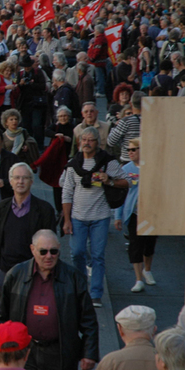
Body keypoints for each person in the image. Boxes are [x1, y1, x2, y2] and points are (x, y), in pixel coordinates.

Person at [0, 229, 99, 370]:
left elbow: (88, 319)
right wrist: (4, 352)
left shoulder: (73, 277)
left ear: (59, 249)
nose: (49, 256)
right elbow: (2, 317)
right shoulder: (15, 275)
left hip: (59, 353)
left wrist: (89, 353)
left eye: (54, 251)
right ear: (32, 249)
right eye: (43, 251)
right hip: (25, 353)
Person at [61, 126, 128, 306]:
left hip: (100, 217)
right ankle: (81, 288)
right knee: (77, 253)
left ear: (97, 143)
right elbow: (67, 192)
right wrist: (66, 219)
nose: (87, 143)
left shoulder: (108, 162)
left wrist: (110, 180)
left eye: (91, 140)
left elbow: (126, 181)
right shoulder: (73, 165)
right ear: (79, 142)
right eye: (84, 140)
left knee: (98, 255)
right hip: (77, 217)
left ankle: (96, 293)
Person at [0, 162, 57, 290]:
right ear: (10, 181)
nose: (20, 181)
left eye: (25, 178)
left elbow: (51, 245)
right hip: (4, 272)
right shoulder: (2, 207)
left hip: (33, 273)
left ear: (31, 181)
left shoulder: (45, 209)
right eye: (17, 178)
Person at [113, 137, 158, 291]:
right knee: (135, 245)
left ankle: (147, 270)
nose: (130, 152)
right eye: (128, 150)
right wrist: (117, 216)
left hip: (152, 213)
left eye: (133, 149)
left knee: (149, 245)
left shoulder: (153, 167)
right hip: (134, 213)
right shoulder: (126, 169)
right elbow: (121, 194)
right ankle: (139, 279)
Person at [107, 91, 144, 161]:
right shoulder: (150, 120)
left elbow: (110, 141)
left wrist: (115, 126)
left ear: (130, 103)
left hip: (128, 160)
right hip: (146, 159)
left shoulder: (126, 121)